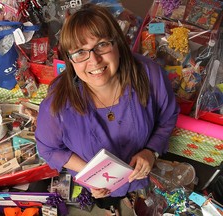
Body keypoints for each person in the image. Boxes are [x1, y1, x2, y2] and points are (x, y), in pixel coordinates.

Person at [35, 3, 180, 215]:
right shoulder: (57, 105)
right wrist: (89, 174)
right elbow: (48, 149)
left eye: (101, 45)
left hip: (144, 174)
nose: (94, 60)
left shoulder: (149, 74)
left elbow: (167, 117)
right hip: (100, 187)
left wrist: (152, 151)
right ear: (69, 59)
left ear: (117, 43)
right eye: (80, 52)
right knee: (107, 202)